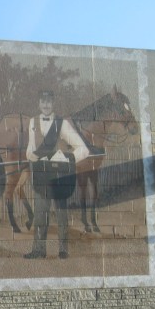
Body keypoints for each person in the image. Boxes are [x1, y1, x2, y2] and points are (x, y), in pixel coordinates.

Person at [24, 91, 89, 259]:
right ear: (39, 103)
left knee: (61, 214)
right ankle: (38, 250)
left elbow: (83, 149)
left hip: (59, 175)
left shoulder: (62, 124)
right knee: (40, 213)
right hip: (41, 175)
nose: (46, 105)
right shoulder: (33, 122)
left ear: (53, 104)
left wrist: (68, 158)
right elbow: (31, 147)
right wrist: (29, 154)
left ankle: (63, 249)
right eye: (43, 101)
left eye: (49, 102)